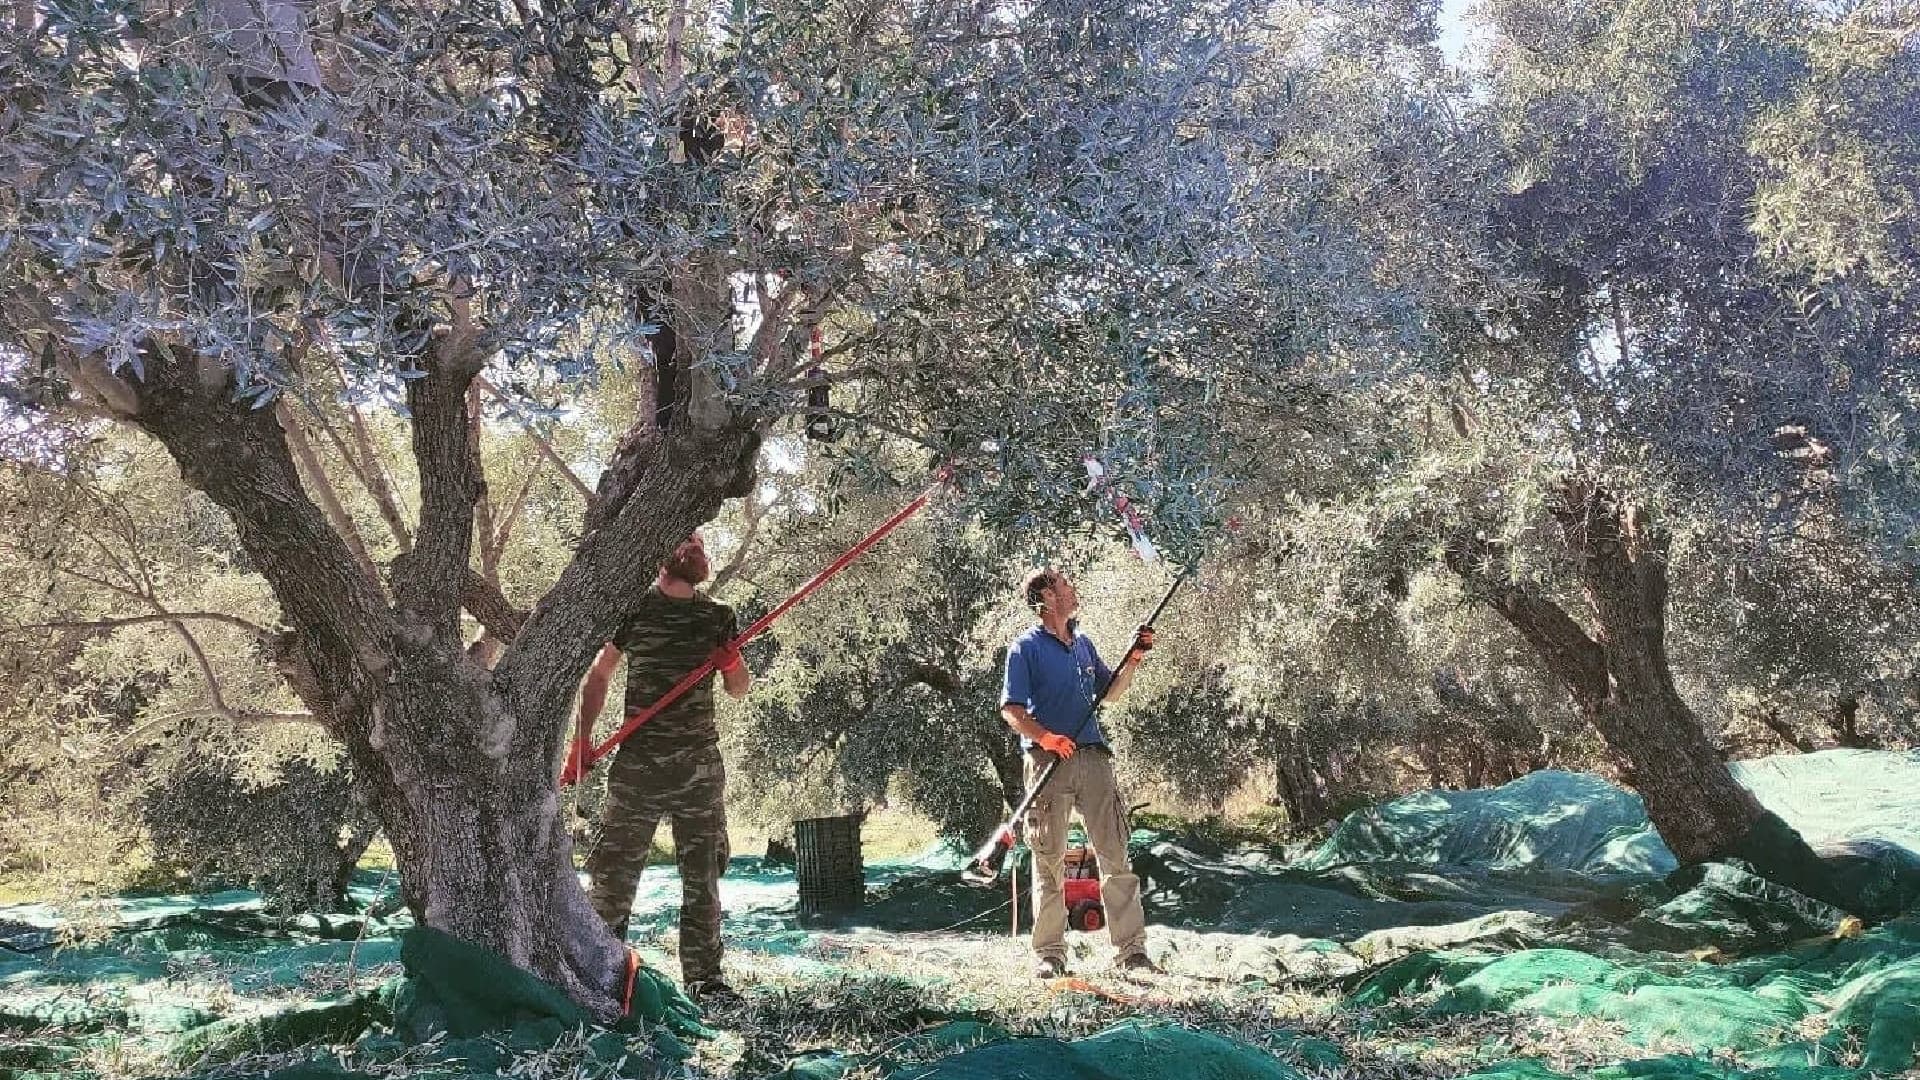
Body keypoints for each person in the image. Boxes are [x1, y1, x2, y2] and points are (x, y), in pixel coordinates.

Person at [574, 532, 750, 999]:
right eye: (688, 541)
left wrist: (731, 662)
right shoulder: (635, 609)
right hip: (640, 768)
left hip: (698, 769)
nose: (698, 549)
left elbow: (738, 689)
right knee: (613, 879)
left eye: (701, 543)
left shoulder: (718, 616)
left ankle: (705, 981)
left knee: (703, 880)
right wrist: (582, 741)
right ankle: (602, 978)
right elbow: (600, 674)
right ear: (664, 555)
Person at [1001, 567, 1161, 979]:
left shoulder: (1084, 645)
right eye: (1064, 584)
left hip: (1093, 759)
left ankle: (1132, 953)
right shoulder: (1025, 649)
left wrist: (1135, 657)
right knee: (1048, 859)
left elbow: (1111, 693)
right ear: (1046, 597)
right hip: (1047, 763)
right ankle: (1050, 955)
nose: (1073, 589)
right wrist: (1046, 738)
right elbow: (1012, 710)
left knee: (1115, 855)